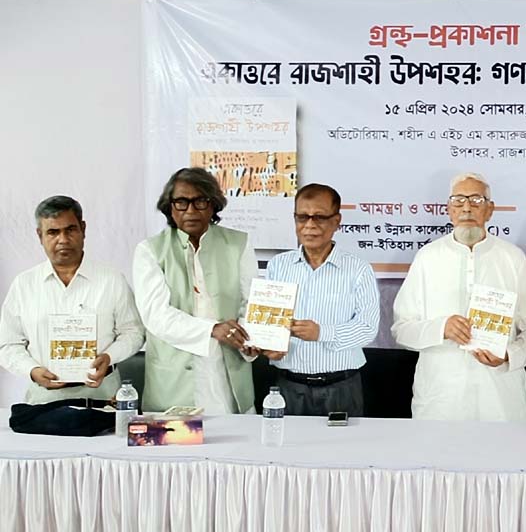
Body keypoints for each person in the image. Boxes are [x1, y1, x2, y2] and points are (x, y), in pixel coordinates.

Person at [393, 173, 526, 421]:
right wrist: (441, 328)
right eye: (458, 200)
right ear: (449, 209)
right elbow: (401, 329)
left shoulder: (512, 258)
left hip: (500, 400)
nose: (466, 208)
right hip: (441, 400)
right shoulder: (428, 258)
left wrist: (510, 355)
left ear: (490, 210)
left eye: (476, 200)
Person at [132, 168, 258, 413]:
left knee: (235, 436)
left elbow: (251, 302)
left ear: (213, 205)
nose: (190, 210)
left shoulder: (238, 243)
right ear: (170, 207)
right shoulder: (150, 251)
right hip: (173, 381)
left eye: (200, 201)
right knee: (178, 438)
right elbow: (155, 316)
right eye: (181, 202)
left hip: (228, 371)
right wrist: (212, 329)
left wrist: (250, 339)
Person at [0, 196, 144, 403]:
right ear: (40, 236)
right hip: (43, 400)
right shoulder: (24, 284)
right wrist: (32, 370)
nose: (63, 239)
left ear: (83, 229)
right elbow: (7, 344)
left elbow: (134, 332)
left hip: (103, 396)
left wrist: (108, 357)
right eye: (53, 232)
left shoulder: (112, 280)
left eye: (70, 230)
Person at [264, 183, 380, 416]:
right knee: (285, 442)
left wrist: (321, 333)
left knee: (344, 442)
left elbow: (368, 329)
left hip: (341, 387)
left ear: (336, 221)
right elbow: (268, 322)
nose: (310, 225)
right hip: (288, 386)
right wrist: (270, 346)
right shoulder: (278, 265)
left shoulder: (358, 269)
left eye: (319, 217)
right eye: (302, 217)